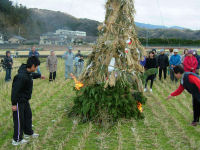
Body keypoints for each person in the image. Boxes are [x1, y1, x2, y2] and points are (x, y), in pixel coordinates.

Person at [11, 56, 45, 146]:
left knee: (28, 116)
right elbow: (15, 91)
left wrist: (39, 75)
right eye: (36, 67)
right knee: (19, 119)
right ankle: (17, 139)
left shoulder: (27, 72)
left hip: (25, 100)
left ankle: (28, 132)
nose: (37, 68)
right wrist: (14, 104)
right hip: (18, 101)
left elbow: (31, 75)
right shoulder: (21, 77)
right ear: (33, 66)